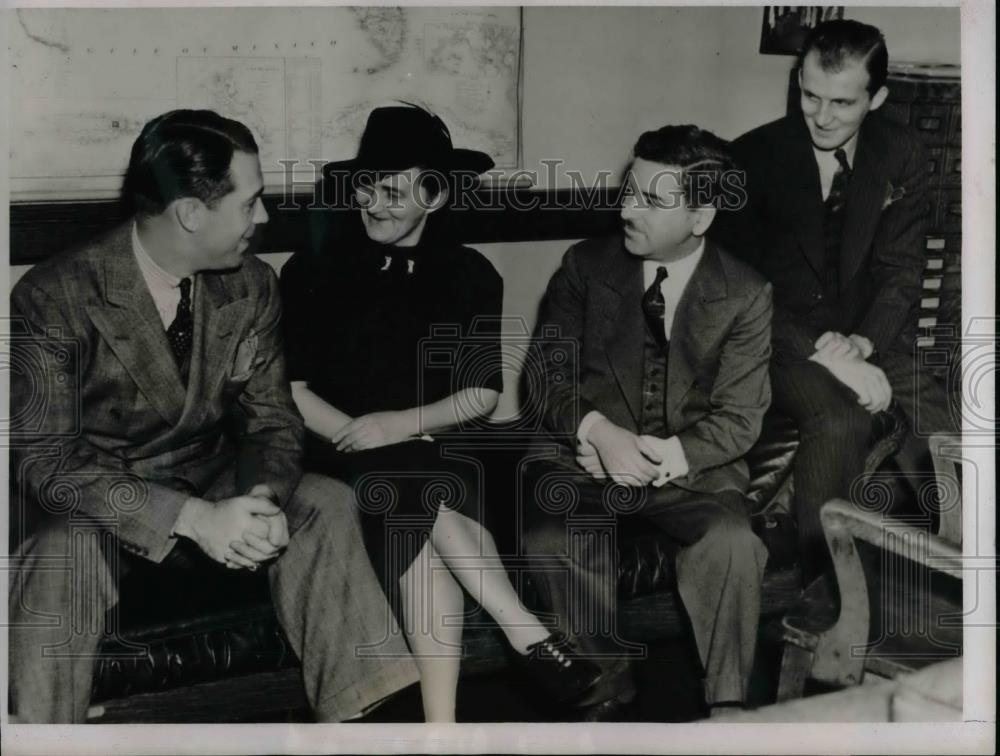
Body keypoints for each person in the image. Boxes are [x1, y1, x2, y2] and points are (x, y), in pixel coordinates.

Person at [7, 109, 419, 723]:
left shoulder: (251, 285)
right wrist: (193, 518)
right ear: (192, 215)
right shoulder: (54, 295)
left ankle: (362, 722)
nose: (264, 218)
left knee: (326, 502)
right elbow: (46, 462)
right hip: (105, 504)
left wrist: (257, 502)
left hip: (213, 477)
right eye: (251, 203)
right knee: (64, 551)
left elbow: (274, 422)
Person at [279, 103, 600, 722]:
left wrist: (401, 424)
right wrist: (363, 436)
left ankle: (441, 730)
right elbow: (290, 392)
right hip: (329, 446)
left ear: (434, 193)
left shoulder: (470, 274)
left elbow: (482, 393)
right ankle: (526, 634)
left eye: (393, 189)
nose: (373, 202)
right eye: (366, 186)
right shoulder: (313, 269)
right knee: (415, 486)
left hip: (426, 445)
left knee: (419, 504)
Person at [523, 124, 772, 721]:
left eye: (652, 201)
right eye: (628, 189)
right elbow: (542, 378)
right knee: (552, 539)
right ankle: (607, 688)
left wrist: (652, 458)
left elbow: (739, 419)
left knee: (734, 543)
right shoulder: (585, 266)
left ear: (701, 216)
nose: (626, 208)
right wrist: (600, 436)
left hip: (691, 469)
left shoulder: (744, 292)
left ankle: (729, 706)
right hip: (584, 462)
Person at [710, 19, 958, 580]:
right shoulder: (754, 157)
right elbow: (740, 288)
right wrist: (829, 354)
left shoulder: (902, 152)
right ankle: (827, 600)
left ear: (878, 98)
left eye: (842, 103)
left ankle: (967, 586)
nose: (821, 117)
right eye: (810, 96)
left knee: (944, 430)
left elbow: (901, 269)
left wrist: (865, 343)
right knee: (841, 419)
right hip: (777, 337)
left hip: (869, 332)